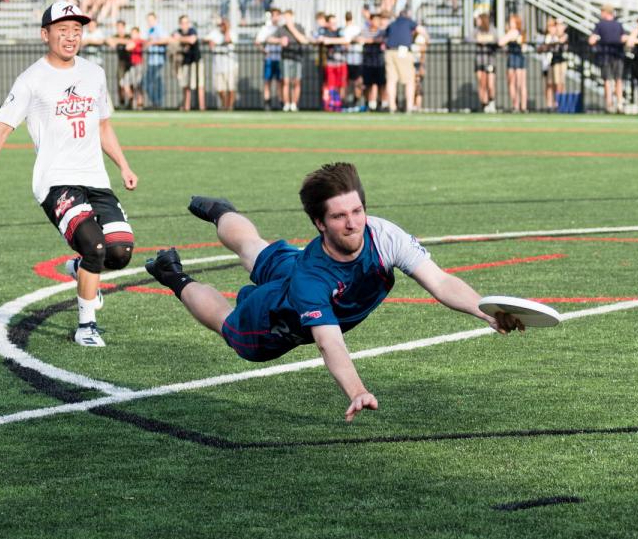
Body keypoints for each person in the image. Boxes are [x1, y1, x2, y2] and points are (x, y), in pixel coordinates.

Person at [142, 163, 524, 421]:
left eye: (357, 211)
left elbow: (440, 281)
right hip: (279, 314)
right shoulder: (311, 283)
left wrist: (485, 311)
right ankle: (175, 277)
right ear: (319, 223)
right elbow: (330, 343)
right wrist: (357, 390)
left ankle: (221, 212)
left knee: (254, 248)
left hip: (298, 266)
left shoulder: (383, 235)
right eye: (339, 216)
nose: (353, 223)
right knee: (229, 326)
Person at [0, 1, 139, 348]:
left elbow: (103, 126)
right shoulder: (31, 80)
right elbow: (2, 129)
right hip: (56, 181)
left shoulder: (94, 73)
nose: (71, 37)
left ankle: (79, 269)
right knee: (95, 246)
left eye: (76, 30)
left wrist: (123, 165)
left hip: (95, 178)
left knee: (119, 253)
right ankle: (86, 326)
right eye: (63, 30)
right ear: (45, 35)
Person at [588, 6, 626, 113]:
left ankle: (609, 105)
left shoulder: (600, 25)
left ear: (606, 12)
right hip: (618, 54)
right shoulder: (619, 25)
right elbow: (624, 38)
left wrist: (599, 41)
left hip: (605, 55)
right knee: (619, 79)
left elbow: (591, 40)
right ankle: (619, 104)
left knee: (607, 81)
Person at [382, 7, 418, 113]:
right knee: (409, 81)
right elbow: (420, 29)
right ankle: (409, 107)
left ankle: (392, 107)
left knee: (391, 80)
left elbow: (384, 37)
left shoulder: (392, 24)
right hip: (403, 52)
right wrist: (427, 39)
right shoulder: (409, 22)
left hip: (390, 52)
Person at [277, 8, 310, 112]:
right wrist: (279, 40)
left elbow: (304, 40)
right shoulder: (281, 28)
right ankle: (286, 104)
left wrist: (292, 29)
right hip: (286, 57)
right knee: (286, 81)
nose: (286, 20)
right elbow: (269, 38)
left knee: (296, 82)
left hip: (297, 57)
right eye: (285, 17)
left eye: (288, 17)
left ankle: (294, 104)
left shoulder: (298, 27)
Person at [174, 14, 205, 112]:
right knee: (186, 85)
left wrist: (180, 38)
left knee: (199, 85)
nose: (185, 25)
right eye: (183, 23)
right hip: (185, 62)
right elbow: (171, 39)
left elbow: (192, 40)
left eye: (186, 22)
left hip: (196, 61)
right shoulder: (177, 31)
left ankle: (202, 107)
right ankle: (186, 107)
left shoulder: (192, 30)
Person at [206, 17, 237, 111]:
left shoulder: (232, 33)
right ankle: (224, 104)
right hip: (218, 66)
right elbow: (205, 39)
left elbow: (228, 40)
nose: (222, 26)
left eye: (224, 25)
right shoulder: (215, 33)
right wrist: (210, 42)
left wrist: (227, 30)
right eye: (221, 25)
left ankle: (230, 106)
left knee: (231, 88)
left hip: (230, 65)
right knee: (219, 88)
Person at [538, 18, 569, 111]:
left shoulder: (562, 35)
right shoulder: (548, 37)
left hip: (559, 61)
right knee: (549, 84)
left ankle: (559, 103)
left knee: (559, 83)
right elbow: (541, 49)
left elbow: (560, 43)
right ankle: (550, 105)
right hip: (549, 63)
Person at [256, 10, 284, 110]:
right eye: (274, 15)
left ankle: (281, 102)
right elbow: (257, 41)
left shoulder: (282, 28)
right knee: (267, 81)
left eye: (278, 15)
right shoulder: (266, 28)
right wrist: (264, 51)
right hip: (269, 58)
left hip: (279, 58)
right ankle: (267, 102)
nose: (276, 18)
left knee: (280, 82)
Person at [500, 13, 528, 113]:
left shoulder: (514, 32)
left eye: (512, 21)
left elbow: (501, 42)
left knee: (515, 83)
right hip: (518, 57)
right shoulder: (520, 33)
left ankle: (516, 106)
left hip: (515, 57)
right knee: (520, 84)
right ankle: (523, 106)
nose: (510, 23)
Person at [471, 13, 498, 113]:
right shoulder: (476, 31)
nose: (477, 21)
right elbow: (468, 38)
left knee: (490, 84)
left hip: (490, 61)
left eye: (479, 19)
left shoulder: (492, 30)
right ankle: (484, 104)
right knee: (481, 83)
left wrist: (487, 40)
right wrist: (478, 39)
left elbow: (497, 40)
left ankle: (491, 102)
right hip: (479, 61)